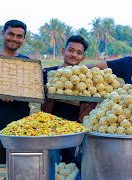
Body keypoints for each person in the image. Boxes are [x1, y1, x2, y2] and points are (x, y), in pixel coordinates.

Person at [42, 35, 89, 167]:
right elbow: (44, 111)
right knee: (51, 166)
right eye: (71, 50)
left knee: (71, 168)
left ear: (83, 57)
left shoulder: (85, 80)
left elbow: (82, 117)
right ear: (63, 51)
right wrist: (50, 94)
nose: (74, 55)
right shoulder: (48, 74)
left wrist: (93, 100)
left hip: (73, 133)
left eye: (79, 53)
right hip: (50, 131)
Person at [0, 20, 30, 164]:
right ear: (3, 34)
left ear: (23, 39)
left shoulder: (27, 63)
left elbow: (33, 90)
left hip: (21, 127)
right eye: (11, 34)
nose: (14, 39)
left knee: (20, 167)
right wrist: (0, 93)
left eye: (19, 36)